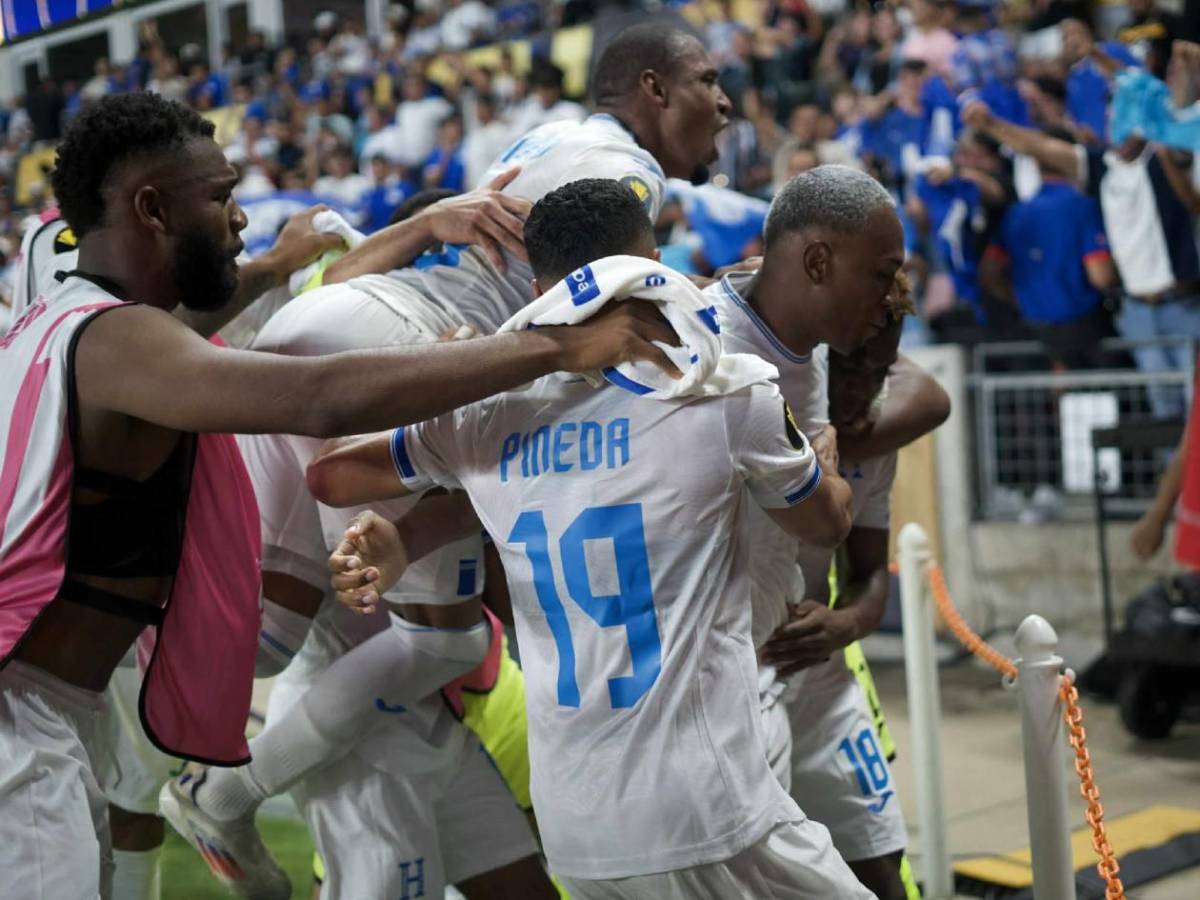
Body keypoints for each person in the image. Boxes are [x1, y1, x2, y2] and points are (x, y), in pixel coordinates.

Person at [0, 92, 677, 900]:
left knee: (272, 646)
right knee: (412, 641)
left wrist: (403, 234)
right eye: (220, 199)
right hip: (21, 712)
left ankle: (214, 791)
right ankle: (222, 795)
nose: (243, 221)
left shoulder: (57, 322)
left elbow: (256, 315)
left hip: (55, 703)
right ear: (151, 208)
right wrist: (550, 346)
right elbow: (319, 395)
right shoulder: (117, 340)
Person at [161, 22, 733, 895]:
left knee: (273, 643)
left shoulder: (539, 138)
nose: (724, 101)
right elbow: (585, 310)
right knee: (444, 639)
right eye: (707, 81)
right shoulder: (629, 171)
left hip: (313, 333)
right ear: (653, 89)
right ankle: (225, 790)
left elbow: (368, 283)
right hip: (407, 351)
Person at [308, 176, 870, 899]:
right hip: (707, 808)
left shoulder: (486, 412)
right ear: (650, 261)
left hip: (577, 829)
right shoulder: (724, 394)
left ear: (538, 284)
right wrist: (827, 470)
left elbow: (331, 477)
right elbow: (825, 522)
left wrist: (401, 529)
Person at [702, 167, 947, 899]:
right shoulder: (756, 377)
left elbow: (875, 573)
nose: (870, 386)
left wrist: (845, 623)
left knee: (883, 868)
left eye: (883, 368)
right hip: (743, 671)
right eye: (860, 364)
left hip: (821, 666)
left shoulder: (864, 430)